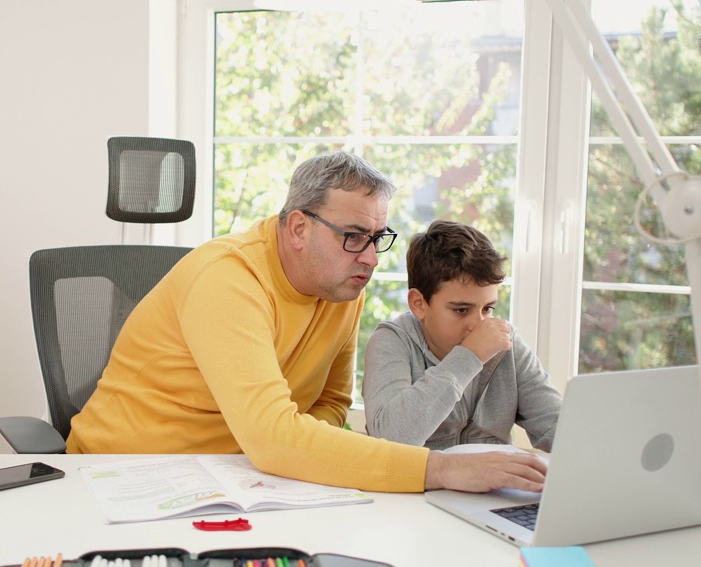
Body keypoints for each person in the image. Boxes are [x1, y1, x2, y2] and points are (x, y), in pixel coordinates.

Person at [66, 151, 547, 494]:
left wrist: (295, 458)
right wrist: (440, 469)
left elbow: (331, 402)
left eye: (378, 238)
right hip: (126, 472)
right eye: (354, 236)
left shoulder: (341, 287)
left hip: (237, 477)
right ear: (298, 228)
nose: (371, 258)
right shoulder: (228, 280)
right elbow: (275, 435)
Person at [362, 220, 560, 452]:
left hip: (494, 486)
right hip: (420, 486)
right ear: (419, 304)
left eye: (488, 309)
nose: (479, 325)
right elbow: (389, 440)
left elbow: (560, 429)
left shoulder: (506, 343)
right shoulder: (392, 341)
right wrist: (468, 357)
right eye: (461, 310)